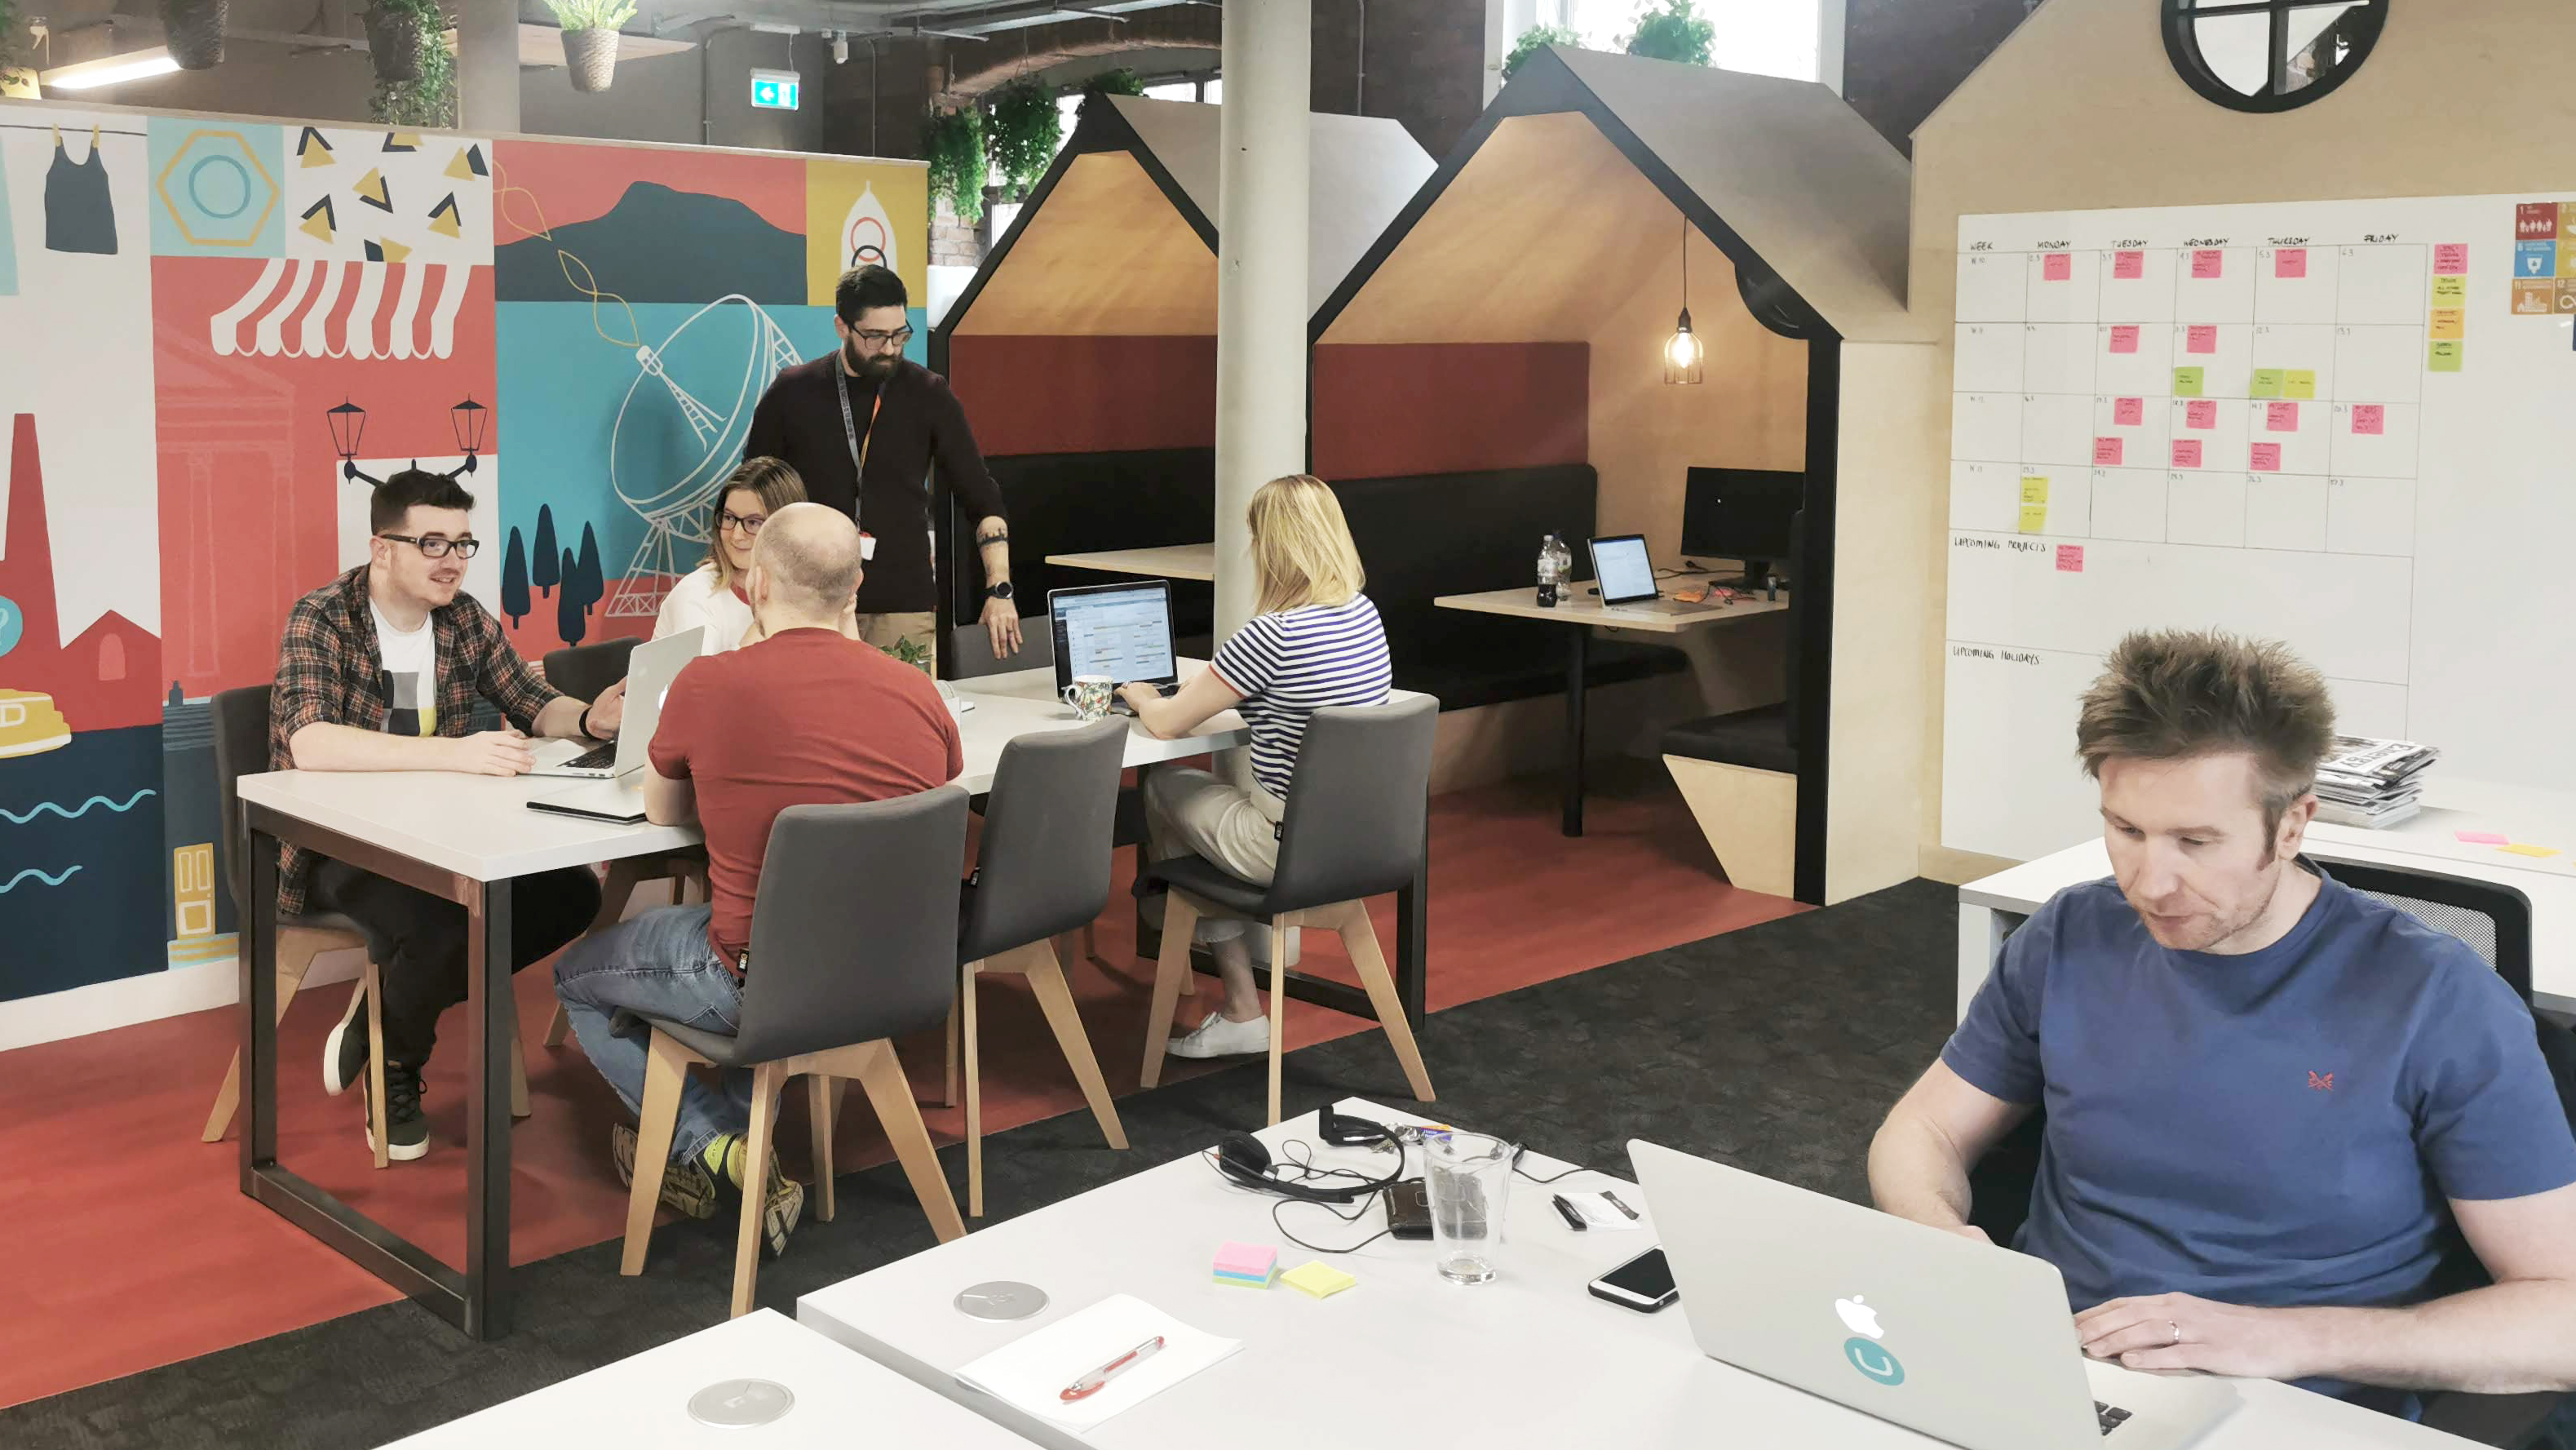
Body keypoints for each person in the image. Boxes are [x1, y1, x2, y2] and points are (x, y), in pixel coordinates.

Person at [1868, 628, 2576, 1412]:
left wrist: (2290, 1338)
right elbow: (1922, 1131)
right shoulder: (2071, 936)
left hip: (2288, 1404)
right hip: (2046, 1370)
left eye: (2197, 841)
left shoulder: (2437, 1001)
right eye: (2127, 830)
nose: (2151, 881)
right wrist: (1945, 1238)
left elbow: (2561, 1314)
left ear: (2294, 824)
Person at [552, 503, 963, 1257]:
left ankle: (710, 1145)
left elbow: (664, 807)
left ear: (756, 584)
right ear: (854, 589)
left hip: (753, 979)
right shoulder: (917, 689)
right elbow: (938, 787)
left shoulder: (711, 684)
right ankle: (751, 1146)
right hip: (896, 974)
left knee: (578, 974)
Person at [272, 469, 616, 1162]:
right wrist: (451, 753)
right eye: (432, 543)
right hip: (337, 847)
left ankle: (386, 1018)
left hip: (445, 837)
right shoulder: (324, 616)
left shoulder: (462, 618)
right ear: (383, 548)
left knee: (570, 892)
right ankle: (400, 1065)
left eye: (463, 543)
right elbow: (310, 741)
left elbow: (528, 696)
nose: (452, 560)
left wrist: (586, 717)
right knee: (443, 916)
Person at [1122, 474, 1392, 1059]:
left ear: (1272, 547)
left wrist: (1141, 695)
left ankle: (1203, 950)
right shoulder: (1365, 615)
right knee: (1215, 793)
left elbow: (1168, 724)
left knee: (1166, 784)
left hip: (1283, 850)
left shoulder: (1274, 634)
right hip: (1363, 841)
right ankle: (1175, 907)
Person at [742, 264, 1019, 668]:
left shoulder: (929, 394)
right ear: (842, 326)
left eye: (900, 334)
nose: (890, 348)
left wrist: (1000, 591)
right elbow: (754, 491)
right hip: (808, 604)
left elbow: (981, 495)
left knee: (903, 722)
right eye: (875, 337)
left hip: (902, 604)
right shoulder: (793, 391)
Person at [653, 457, 808, 655]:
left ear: (786, 527)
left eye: (753, 522)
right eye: (729, 518)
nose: (736, 535)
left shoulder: (805, 591)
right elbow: (703, 684)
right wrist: (764, 619)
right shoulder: (695, 595)